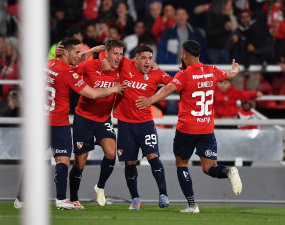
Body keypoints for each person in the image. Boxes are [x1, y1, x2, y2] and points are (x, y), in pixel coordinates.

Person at [14, 37, 125, 210]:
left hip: (42, 121)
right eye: (77, 52)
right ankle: (64, 199)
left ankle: (22, 199)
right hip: (62, 122)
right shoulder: (71, 73)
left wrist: (88, 52)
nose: (79, 55)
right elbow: (92, 93)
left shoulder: (48, 64)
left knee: (39, 162)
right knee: (65, 161)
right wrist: (114, 89)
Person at [136, 40, 242, 213]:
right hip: (207, 129)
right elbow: (229, 75)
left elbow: (168, 89)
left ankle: (192, 205)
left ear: (184, 55)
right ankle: (229, 171)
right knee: (210, 168)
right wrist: (235, 70)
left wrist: (149, 100)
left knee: (182, 164)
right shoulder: (212, 70)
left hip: (187, 129)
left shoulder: (184, 75)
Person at [101, 45, 173, 210]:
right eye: (143, 58)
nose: (147, 61)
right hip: (126, 125)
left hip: (146, 124)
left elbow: (173, 85)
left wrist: (152, 99)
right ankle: (135, 199)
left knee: (153, 156)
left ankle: (164, 195)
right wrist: (104, 59)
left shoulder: (157, 73)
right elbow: (109, 53)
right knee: (130, 162)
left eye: (150, 58)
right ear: (136, 59)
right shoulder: (125, 64)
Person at [64, 38, 125, 208]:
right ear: (106, 54)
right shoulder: (91, 66)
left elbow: (140, 64)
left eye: (121, 53)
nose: (119, 57)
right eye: (116, 53)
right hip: (83, 117)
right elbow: (72, 66)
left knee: (112, 152)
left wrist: (154, 66)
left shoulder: (122, 68)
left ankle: (100, 187)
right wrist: (91, 52)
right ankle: (74, 199)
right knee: (80, 162)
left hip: (103, 118)